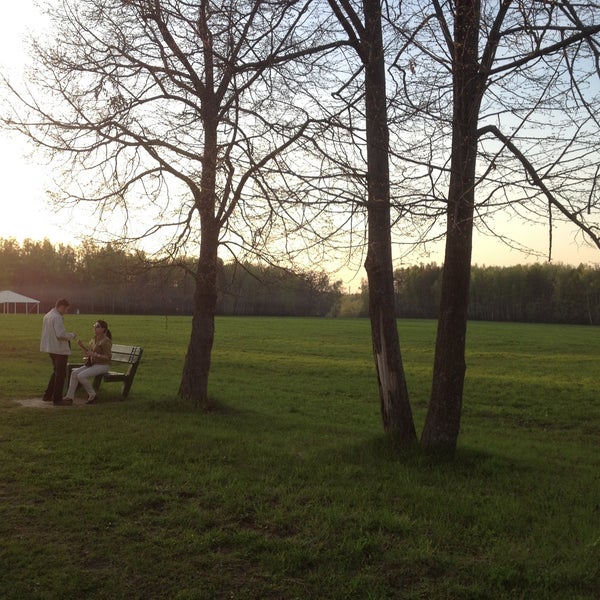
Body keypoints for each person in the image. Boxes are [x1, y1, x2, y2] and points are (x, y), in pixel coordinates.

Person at [63, 319, 112, 405]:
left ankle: (93, 395)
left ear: (103, 329)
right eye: (94, 326)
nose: (94, 328)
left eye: (97, 327)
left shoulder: (106, 341)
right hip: (93, 364)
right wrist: (81, 346)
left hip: (103, 365)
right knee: (74, 373)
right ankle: (69, 397)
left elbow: (108, 357)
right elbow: (88, 353)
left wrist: (95, 355)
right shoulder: (94, 339)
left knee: (81, 376)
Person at [40, 298, 78, 406]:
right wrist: (72, 335)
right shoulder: (57, 317)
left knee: (56, 372)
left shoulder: (47, 315)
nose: (66, 312)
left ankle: (47, 395)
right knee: (61, 374)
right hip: (59, 349)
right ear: (61, 306)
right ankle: (57, 399)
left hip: (51, 348)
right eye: (66, 309)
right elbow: (60, 334)